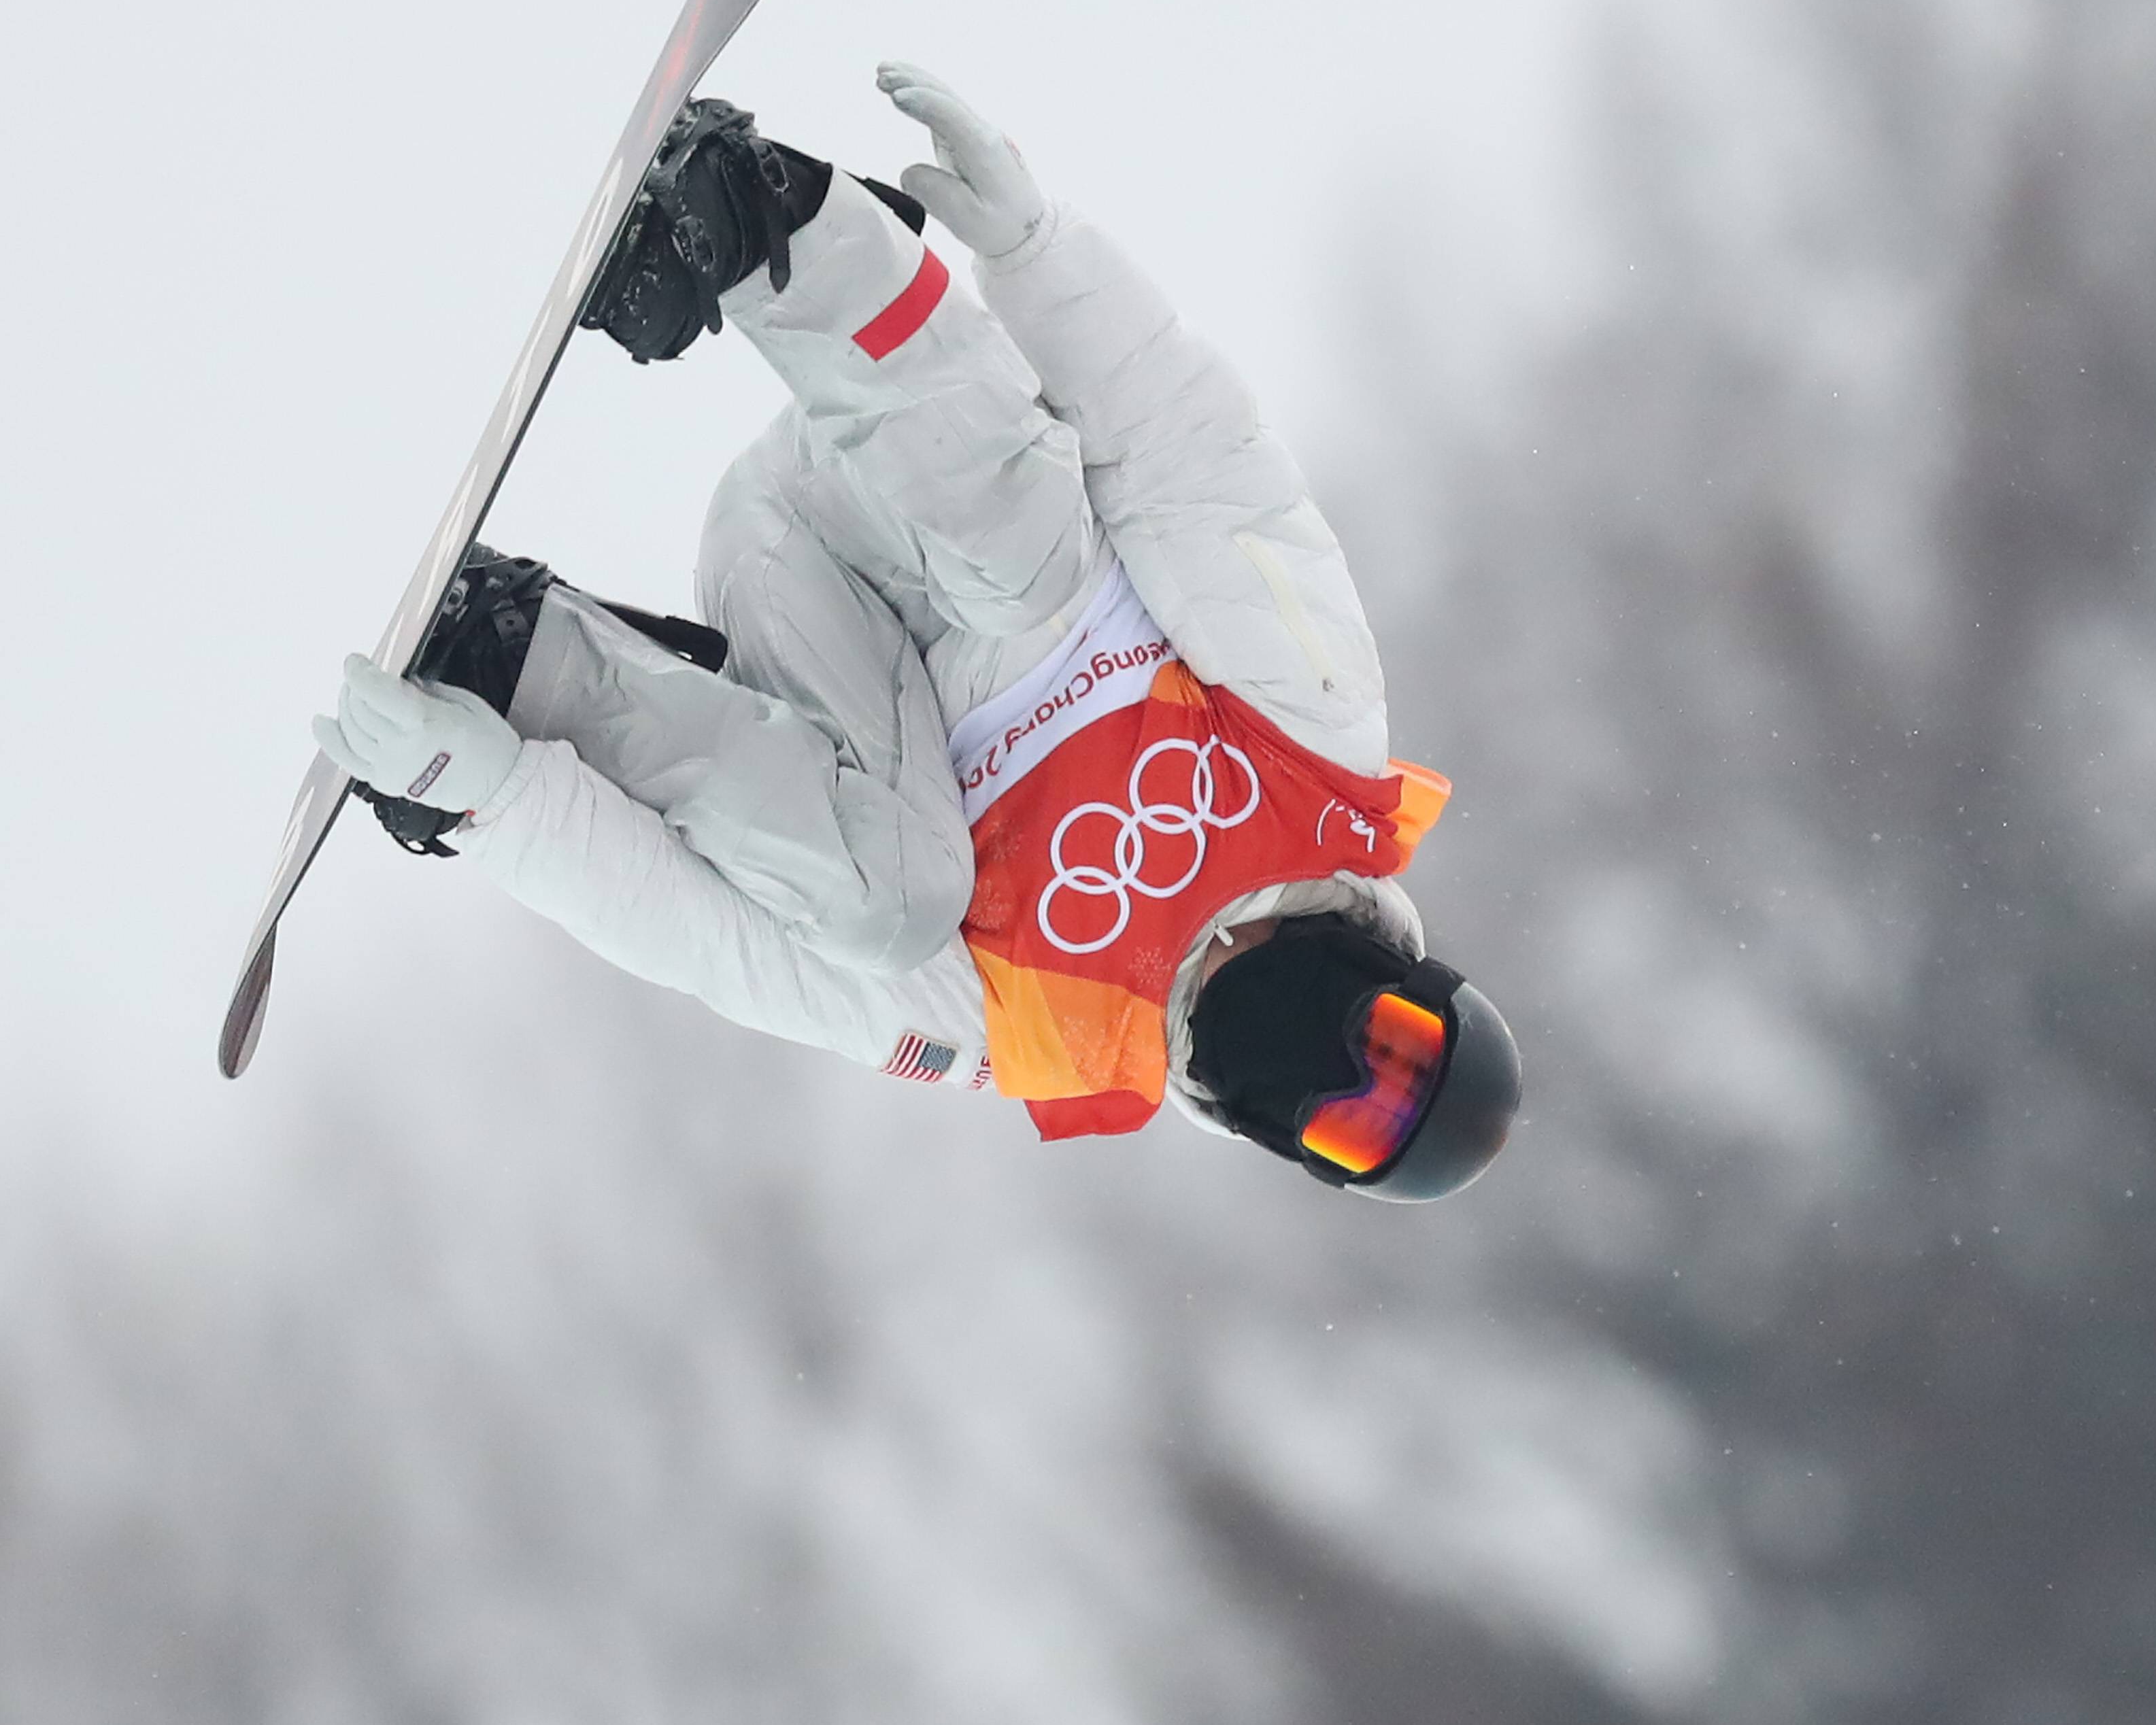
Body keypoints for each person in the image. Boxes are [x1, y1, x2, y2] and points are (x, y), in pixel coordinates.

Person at [314, 67, 1519, 1199]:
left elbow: (724, 947)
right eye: (1392, 1049)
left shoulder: (1052, 1034)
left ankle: (514, 662)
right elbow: (1194, 462)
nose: (1345, 1075)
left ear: (1292, 1148)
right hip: (920, 482)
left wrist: (497, 808)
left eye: (1351, 1123)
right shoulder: (1314, 764)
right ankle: (755, 222)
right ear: (1405, 981)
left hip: (804, 595)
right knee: (1029, 572)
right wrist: (1038, 255)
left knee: (885, 909)